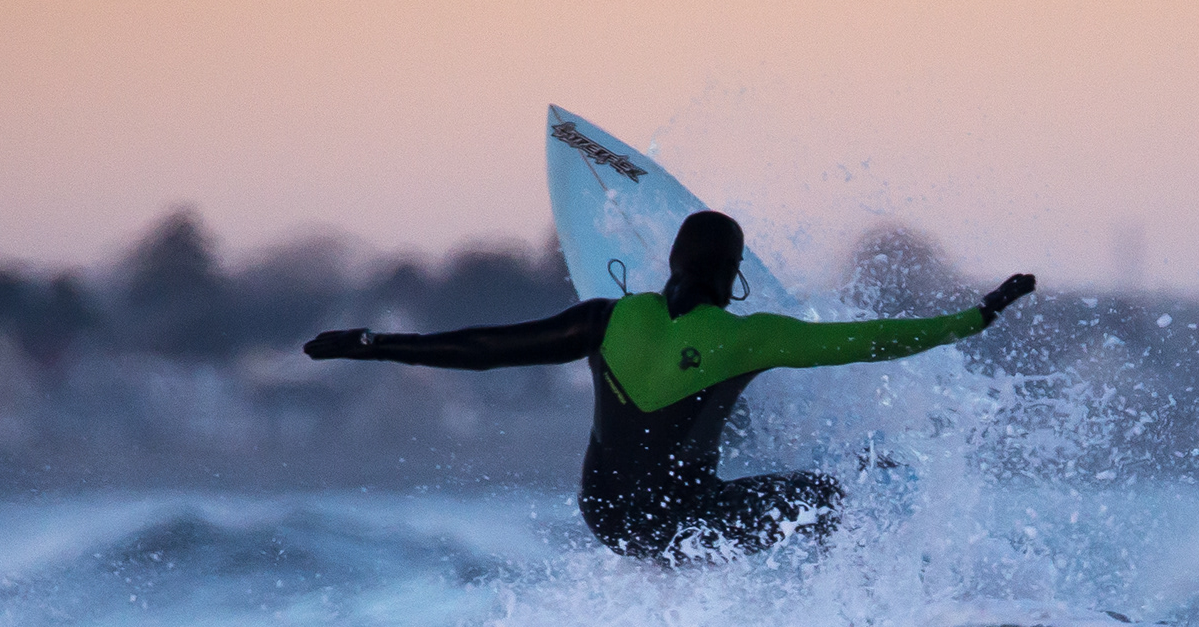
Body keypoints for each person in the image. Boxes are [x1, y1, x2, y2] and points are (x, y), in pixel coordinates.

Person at [304, 210, 1035, 558]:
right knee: (832, 498)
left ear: (672, 266)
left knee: (682, 490)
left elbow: (484, 348)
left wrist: (370, 343)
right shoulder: (753, 336)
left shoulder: (607, 318)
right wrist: (976, 317)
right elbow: (870, 342)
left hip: (601, 515)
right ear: (732, 277)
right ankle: (843, 615)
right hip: (681, 521)